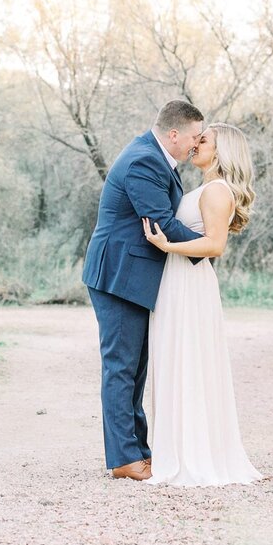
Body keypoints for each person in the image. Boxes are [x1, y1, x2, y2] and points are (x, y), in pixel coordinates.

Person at [82, 100, 205, 481]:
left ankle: (139, 450)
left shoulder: (153, 156)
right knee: (121, 368)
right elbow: (162, 223)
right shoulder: (144, 161)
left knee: (135, 369)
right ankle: (123, 459)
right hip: (118, 276)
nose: (196, 146)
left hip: (132, 276)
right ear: (173, 134)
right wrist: (210, 246)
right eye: (193, 138)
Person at [141, 123, 263, 486]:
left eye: (203, 140)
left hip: (190, 283)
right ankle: (176, 449)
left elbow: (214, 246)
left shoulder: (216, 191)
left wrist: (168, 247)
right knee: (176, 359)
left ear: (222, 150)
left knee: (188, 360)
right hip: (177, 281)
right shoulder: (205, 188)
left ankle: (193, 454)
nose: (195, 144)